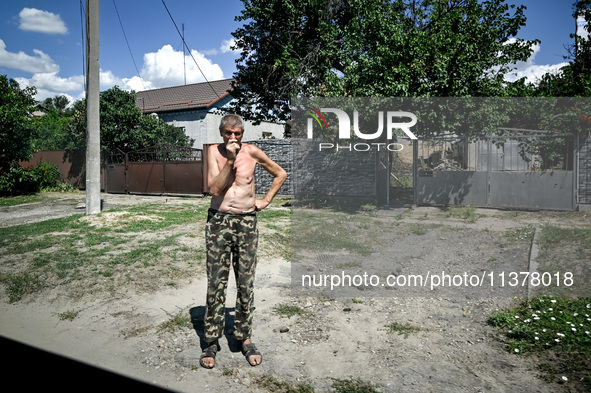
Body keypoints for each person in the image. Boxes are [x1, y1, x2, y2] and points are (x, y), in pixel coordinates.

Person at [200, 114, 287, 369]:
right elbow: (215, 189)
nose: (233, 137)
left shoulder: (252, 152)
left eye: (237, 133)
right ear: (221, 132)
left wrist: (266, 200)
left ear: (243, 133)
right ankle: (212, 340)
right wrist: (229, 159)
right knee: (216, 281)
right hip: (219, 221)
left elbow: (280, 173)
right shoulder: (214, 153)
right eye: (228, 133)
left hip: (247, 222)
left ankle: (244, 337)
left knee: (246, 281)